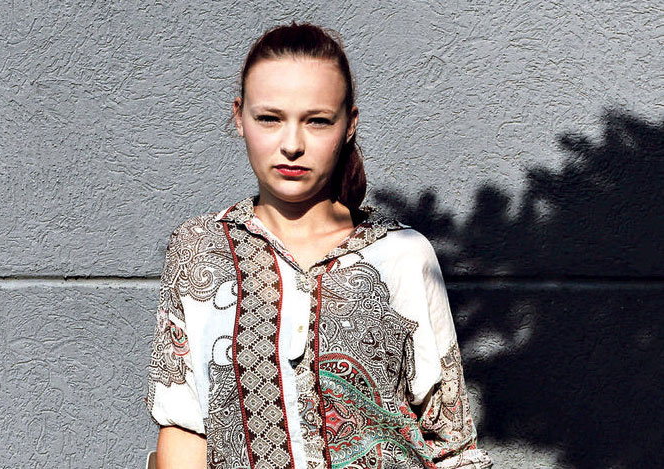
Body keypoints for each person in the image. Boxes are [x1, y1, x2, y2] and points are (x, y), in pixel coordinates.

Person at [146, 22, 492, 469]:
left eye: (317, 121)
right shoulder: (198, 248)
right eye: (269, 119)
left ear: (349, 125)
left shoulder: (403, 253)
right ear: (239, 117)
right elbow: (183, 425)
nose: (292, 145)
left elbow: (451, 441)